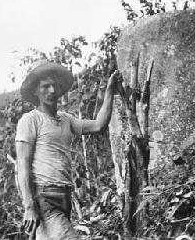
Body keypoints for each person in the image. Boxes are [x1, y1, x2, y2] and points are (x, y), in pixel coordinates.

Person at [15, 60, 119, 239]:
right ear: (35, 92)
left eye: (54, 85)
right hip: (44, 198)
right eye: (45, 87)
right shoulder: (30, 120)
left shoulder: (66, 119)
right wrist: (29, 207)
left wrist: (110, 91)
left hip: (64, 197)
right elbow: (22, 166)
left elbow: (98, 125)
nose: (52, 91)